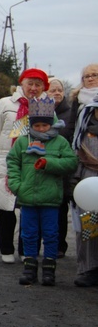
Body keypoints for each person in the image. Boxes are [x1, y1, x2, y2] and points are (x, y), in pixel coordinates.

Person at [6, 97, 77, 286]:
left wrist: (49, 163)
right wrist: (16, 185)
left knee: (51, 234)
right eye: (36, 125)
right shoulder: (22, 142)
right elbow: (12, 163)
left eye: (44, 126)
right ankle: (29, 267)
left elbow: (71, 163)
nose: (40, 129)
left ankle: (49, 268)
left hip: (51, 199)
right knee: (28, 234)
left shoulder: (60, 142)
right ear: (31, 125)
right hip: (27, 197)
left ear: (51, 123)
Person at [0, 68, 50, 263]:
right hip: (6, 160)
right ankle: (6, 249)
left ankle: (26, 248)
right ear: (22, 83)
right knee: (5, 208)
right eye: (30, 83)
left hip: (33, 162)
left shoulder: (46, 106)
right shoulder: (5, 104)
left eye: (38, 85)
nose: (33, 88)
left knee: (30, 208)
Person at [67, 64, 98, 287]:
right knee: (88, 224)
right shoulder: (79, 108)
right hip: (88, 174)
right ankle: (89, 268)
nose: (90, 78)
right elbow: (73, 140)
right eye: (86, 76)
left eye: (95, 75)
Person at [48, 77, 72, 258]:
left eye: (59, 90)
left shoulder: (71, 113)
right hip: (43, 168)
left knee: (61, 209)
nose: (57, 93)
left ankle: (59, 246)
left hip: (63, 169)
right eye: (52, 90)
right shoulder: (40, 111)